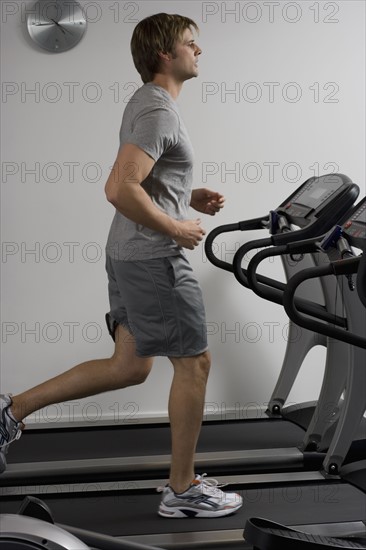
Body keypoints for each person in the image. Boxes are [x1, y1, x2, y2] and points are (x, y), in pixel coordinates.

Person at [0, 13, 243, 518]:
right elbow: (118, 188)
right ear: (163, 54)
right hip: (153, 258)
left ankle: (10, 410)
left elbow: (141, 180)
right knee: (195, 363)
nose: (199, 51)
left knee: (129, 366)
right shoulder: (160, 111)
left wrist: (185, 197)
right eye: (189, 44)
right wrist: (176, 228)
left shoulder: (147, 103)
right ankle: (183, 490)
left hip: (128, 253)